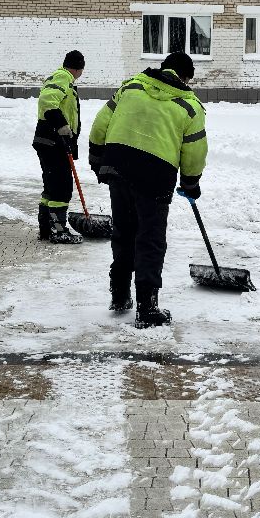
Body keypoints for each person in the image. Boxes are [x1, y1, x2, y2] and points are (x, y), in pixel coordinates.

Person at [88, 50, 206, 328]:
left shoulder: (132, 86)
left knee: (124, 230)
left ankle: (119, 295)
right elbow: (195, 151)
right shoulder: (190, 105)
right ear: (186, 77)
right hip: (155, 174)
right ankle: (147, 306)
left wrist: (97, 161)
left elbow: (99, 125)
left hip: (118, 165)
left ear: (163, 68)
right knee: (150, 237)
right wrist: (190, 183)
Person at [33, 50, 85, 245]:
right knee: (62, 186)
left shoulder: (63, 79)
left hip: (50, 141)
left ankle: (46, 228)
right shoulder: (62, 77)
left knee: (52, 185)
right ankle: (58, 229)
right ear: (79, 68)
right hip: (54, 141)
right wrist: (61, 124)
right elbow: (47, 101)